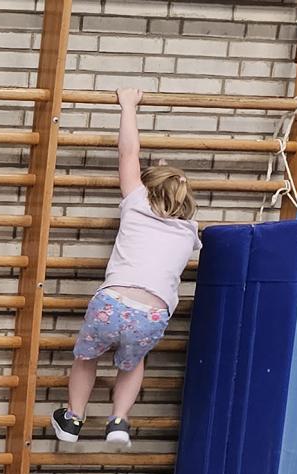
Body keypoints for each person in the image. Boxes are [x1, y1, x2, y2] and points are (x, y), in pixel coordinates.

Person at [56, 87, 199, 448]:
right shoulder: (189, 232)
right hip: (153, 315)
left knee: (86, 358)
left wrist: (128, 105)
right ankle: (119, 420)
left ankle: (73, 418)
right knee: (132, 364)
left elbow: (128, 152)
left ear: (147, 190)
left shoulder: (136, 203)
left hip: (112, 303)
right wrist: (166, 175)